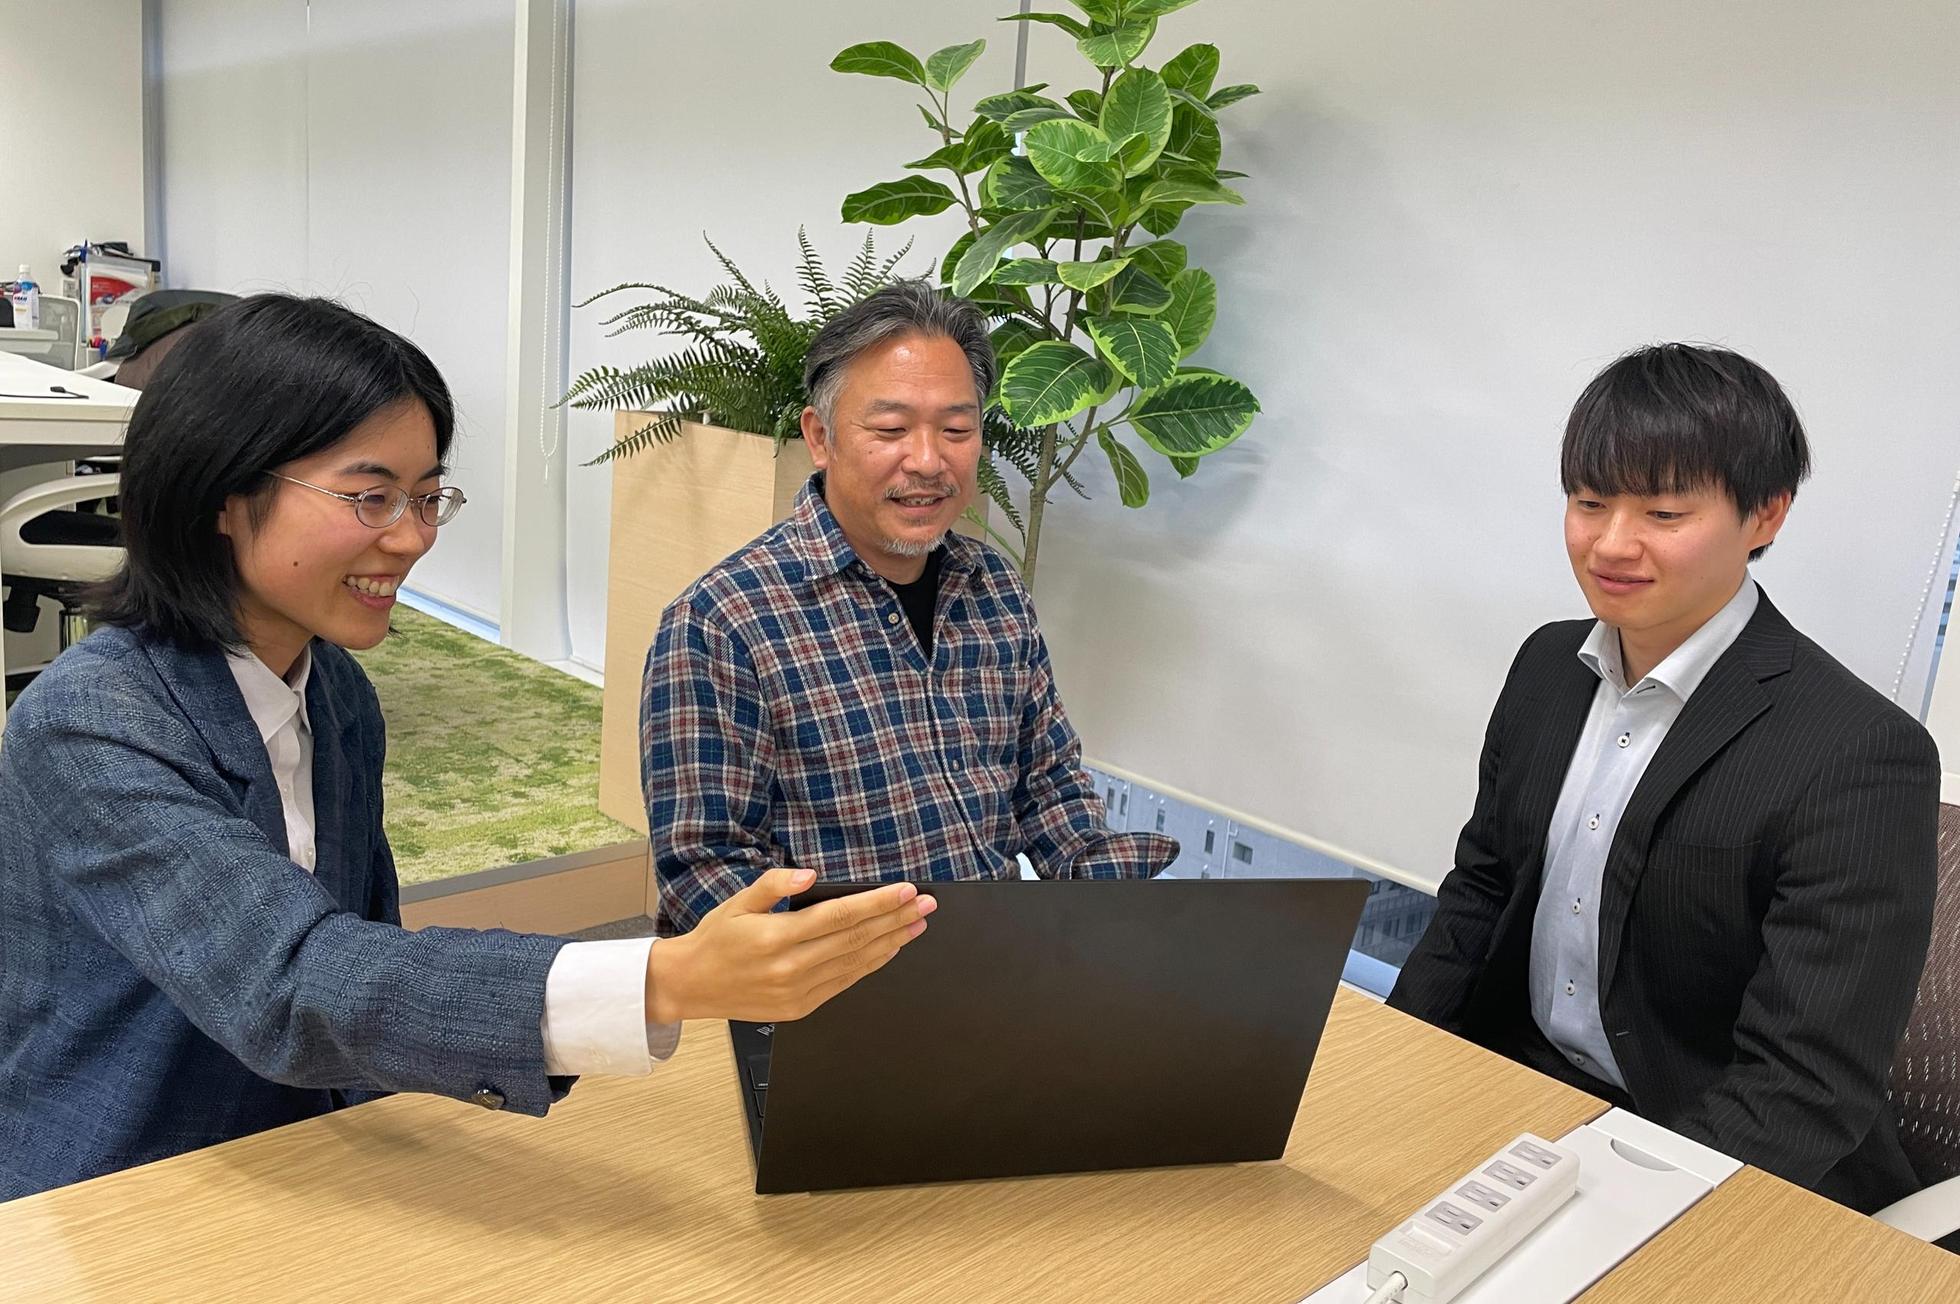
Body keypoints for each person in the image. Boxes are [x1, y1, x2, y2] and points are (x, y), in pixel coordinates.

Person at [0, 294, 935, 1201]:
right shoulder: (90, 722)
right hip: (118, 1184)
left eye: (426, 497)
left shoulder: (335, 693)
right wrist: (665, 977)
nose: (412, 539)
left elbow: (366, 953)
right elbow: (290, 981)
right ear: (220, 493)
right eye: (370, 497)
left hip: (307, 1155)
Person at [1388, 343, 1939, 1213]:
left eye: (1665, 512)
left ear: (1766, 515)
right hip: (1527, 1099)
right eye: (1589, 502)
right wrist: (1390, 1064)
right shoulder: (1546, 667)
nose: (1612, 544)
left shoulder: (1860, 752)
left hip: (1711, 1157)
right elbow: (1480, 894)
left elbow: (1804, 1083)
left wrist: (1633, 1216)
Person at [642, 280, 1175, 935]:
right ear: (820, 436)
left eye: (956, 429)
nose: (927, 460)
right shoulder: (721, 623)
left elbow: (1047, 786)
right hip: (838, 977)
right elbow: (706, 874)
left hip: (1002, 959)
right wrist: (855, 952)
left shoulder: (996, 590)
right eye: (891, 429)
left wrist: (1123, 905)